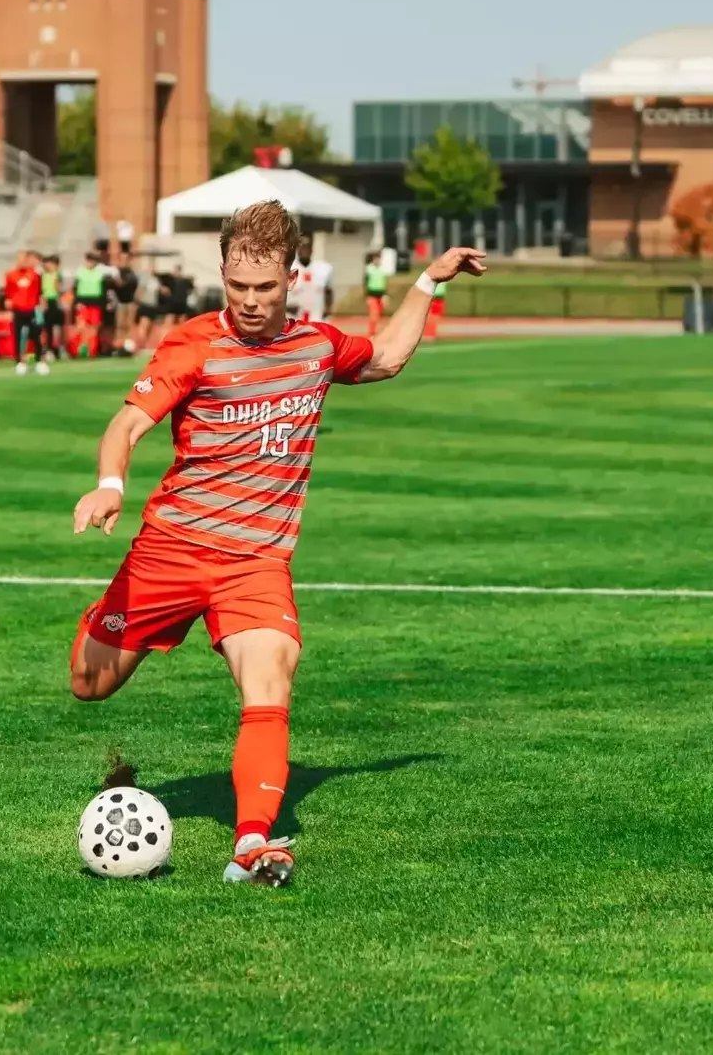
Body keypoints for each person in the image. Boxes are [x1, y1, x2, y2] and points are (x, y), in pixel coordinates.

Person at [67, 200, 485, 885]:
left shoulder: (317, 346)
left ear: (292, 277)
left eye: (265, 288)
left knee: (272, 678)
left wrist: (429, 281)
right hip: (170, 552)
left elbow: (384, 359)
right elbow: (126, 425)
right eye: (238, 287)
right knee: (89, 683)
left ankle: (253, 844)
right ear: (224, 276)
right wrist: (111, 484)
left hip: (255, 563)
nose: (251, 301)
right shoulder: (194, 344)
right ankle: (107, 628)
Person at [4, 250, 46, 374]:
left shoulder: (34, 275)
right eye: (19, 259)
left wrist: (40, 306)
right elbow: (8, 293)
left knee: (35, 335)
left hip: (31, 309)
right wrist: (9, 304)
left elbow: (39, 292)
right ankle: (19, 362)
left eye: (23, 259)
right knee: (17, 336)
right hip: (18, 310)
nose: (21, 261)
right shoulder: (10, 275)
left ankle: (39, 361)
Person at [70, 253, 108, 359]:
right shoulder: (80, 272)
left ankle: (91, 351)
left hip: (95, 303)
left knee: (93, 329)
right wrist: (76, 302)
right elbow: (75, 288)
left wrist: (104, 304)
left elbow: (103, 289)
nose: (91, 263)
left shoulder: (99, 273)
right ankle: (76, 350)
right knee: (81, 327)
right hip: (83, 302)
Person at [288, 239, 334, 324]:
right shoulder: (289, 268)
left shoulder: (322, 269)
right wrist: (286, 307)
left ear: (311, 250)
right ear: (298, 250)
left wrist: (328, 308)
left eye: (307, 248)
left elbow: (328, 290)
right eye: (302, 248)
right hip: (294, 316)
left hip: (317, 315)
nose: (305, 251)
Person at [40, 255, 65, 362]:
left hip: (54, 302)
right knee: (47, 327)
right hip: (45, 302)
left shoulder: (57, 275)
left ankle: (58, 349)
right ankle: (48, 349)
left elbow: (57, 288)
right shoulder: (43, 275)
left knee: (57, 328)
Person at [363, 252, 389, 337]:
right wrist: (366, 295)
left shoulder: (382, 269)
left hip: (381, 294)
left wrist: (385, 294)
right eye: (376, 259)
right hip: (372, 294)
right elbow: (365, 282)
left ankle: (380, 331)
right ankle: (372, 332)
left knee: (381, 312)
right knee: (374, 313)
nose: (378, 260)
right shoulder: (369, 269)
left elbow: (384, 282)